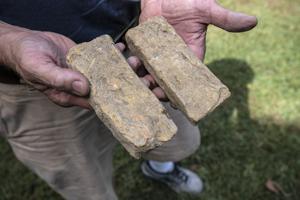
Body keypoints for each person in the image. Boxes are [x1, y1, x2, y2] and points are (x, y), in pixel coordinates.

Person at [0, 0, 257, 199]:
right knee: (82, 176)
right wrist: (7, 43)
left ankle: (161, 169)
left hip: (140, 28)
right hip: (34, 71)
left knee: (172, 136)